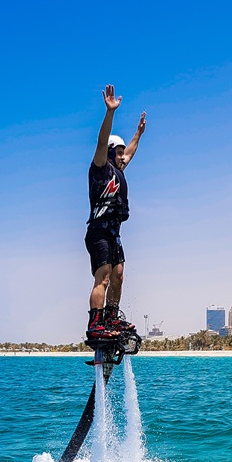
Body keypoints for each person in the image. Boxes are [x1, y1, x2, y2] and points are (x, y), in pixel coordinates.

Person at [85, 84, 146, 340]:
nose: (124, 157)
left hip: (114, 233)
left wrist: (138, 133)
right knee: (104, 277)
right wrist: (110, 113)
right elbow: (102, 140)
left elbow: (130, 151)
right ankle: (96, 323)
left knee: (119, 274)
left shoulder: (119, 170)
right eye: (119, 153)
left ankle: (111, 317)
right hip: (98, 231)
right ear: (110, 152)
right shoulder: (100, 166)